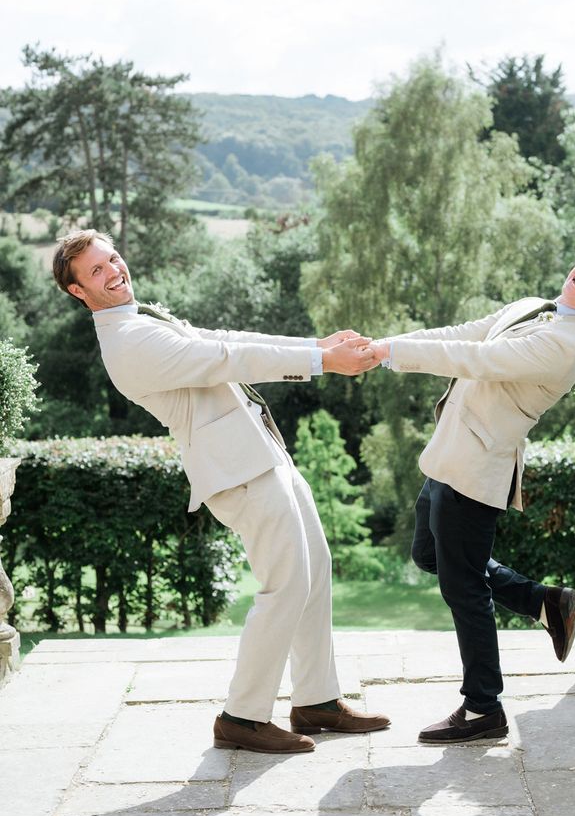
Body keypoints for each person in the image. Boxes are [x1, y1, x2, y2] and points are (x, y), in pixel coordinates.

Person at [52, 230, 390, 755]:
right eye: (96, 271)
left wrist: (315, 347)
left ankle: (317, 700)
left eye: (112, 258)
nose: (113, 271)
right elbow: (226, 357)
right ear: (78, 292)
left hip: (261, 452)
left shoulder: (142, 319)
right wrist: (323, 362)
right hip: (237, 470)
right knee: (286, 585)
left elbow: (222, 336)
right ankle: (242, 717)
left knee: (315, 568)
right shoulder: (129, 341)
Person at [370, 246, 575, 745]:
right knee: (430, 555)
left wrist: (388, 356)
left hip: (476, 471)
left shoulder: (565, 344)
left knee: (464, 589)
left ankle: (483, 708)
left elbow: (478, 359)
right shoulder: (532, 306)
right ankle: (542, 601)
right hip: (446, 457)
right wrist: (382, 344)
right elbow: (462, 335)